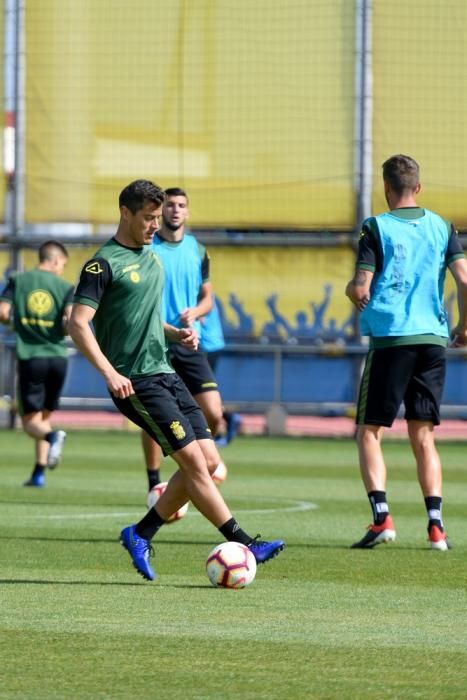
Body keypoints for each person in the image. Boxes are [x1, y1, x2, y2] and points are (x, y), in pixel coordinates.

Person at [68, 179, 284, 581]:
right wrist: (110, 373)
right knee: (195, 466)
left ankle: (141, 532)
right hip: (135, 381)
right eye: (148, 218)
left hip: (165, 371)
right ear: (126, 213)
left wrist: (174, 333)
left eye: (157, 217)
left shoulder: (151, 257)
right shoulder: (103, 264)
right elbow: (77, 324)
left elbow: (144, 320)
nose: (154, 225)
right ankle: (244, 541)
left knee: (211, 461)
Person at [345, 154, 467, 551]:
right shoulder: (441, 226)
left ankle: (382, 518)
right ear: (419, 187)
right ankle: (436, 528)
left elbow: (362, 287)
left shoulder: (375, 226)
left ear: (385, 188)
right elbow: (465, 278)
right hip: (432, 338)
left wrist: (354, 289)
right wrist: (464, 327)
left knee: (369, 431)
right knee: (424, 434)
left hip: (393, 338)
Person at [141, 187, 228, 490]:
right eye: (170, 205)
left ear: (187, 212)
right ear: (160, 211)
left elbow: (208, 298)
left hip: (190, 341)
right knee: (154, 416)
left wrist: (197, 311)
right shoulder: (147, 247)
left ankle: (199, 463)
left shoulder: (198, 250)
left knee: (215, 414)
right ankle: (154, 482)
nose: (175, 210)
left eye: (181, 205)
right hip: (156, 344)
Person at [0, 241, 73, 486]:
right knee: (43, 416)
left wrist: (21, 325)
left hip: (32, 357)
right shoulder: (65, 287)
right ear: (53, 260)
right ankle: (38, 474)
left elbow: (2, 312)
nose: (62, 269)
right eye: (63, 264)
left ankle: (53, 437)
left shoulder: (18, 281)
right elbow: (70, 321)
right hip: (58, 358)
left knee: (30, 422)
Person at [199, 296, 242, 447]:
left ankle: (226, 419)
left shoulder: (197, 291)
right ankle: (225, 420)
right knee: (199, 392)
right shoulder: (204, 292)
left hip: (206, 346)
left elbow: (200, 317)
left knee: (198, 392)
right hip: (212, 344)